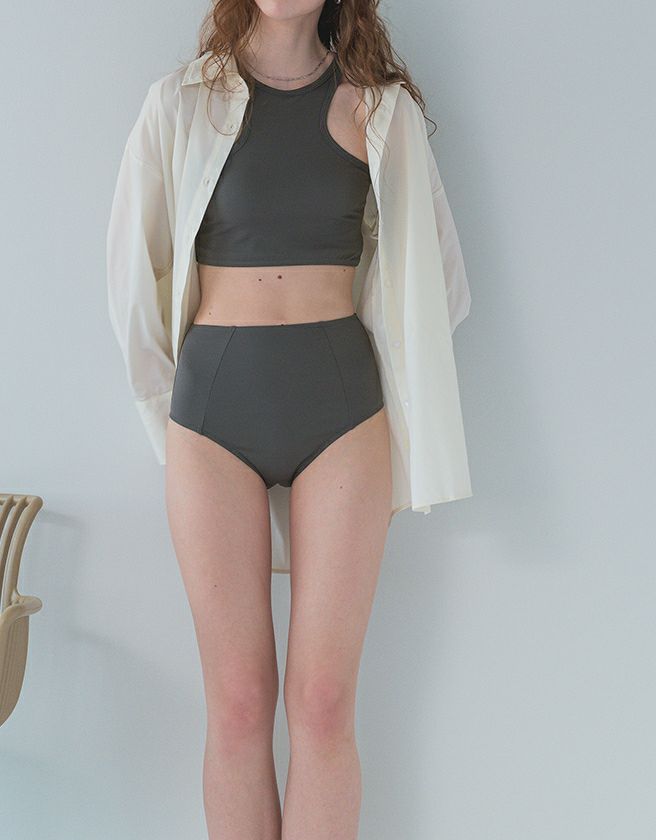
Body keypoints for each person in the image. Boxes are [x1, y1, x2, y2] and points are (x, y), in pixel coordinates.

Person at [106, 1, 473, 838]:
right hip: (211, 415)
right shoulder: (179, 103)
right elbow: (133, 279)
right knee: (238, 702)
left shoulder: (380, 109)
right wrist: (170, 419)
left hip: (341, 410)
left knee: (323, 700)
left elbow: (439, 283)